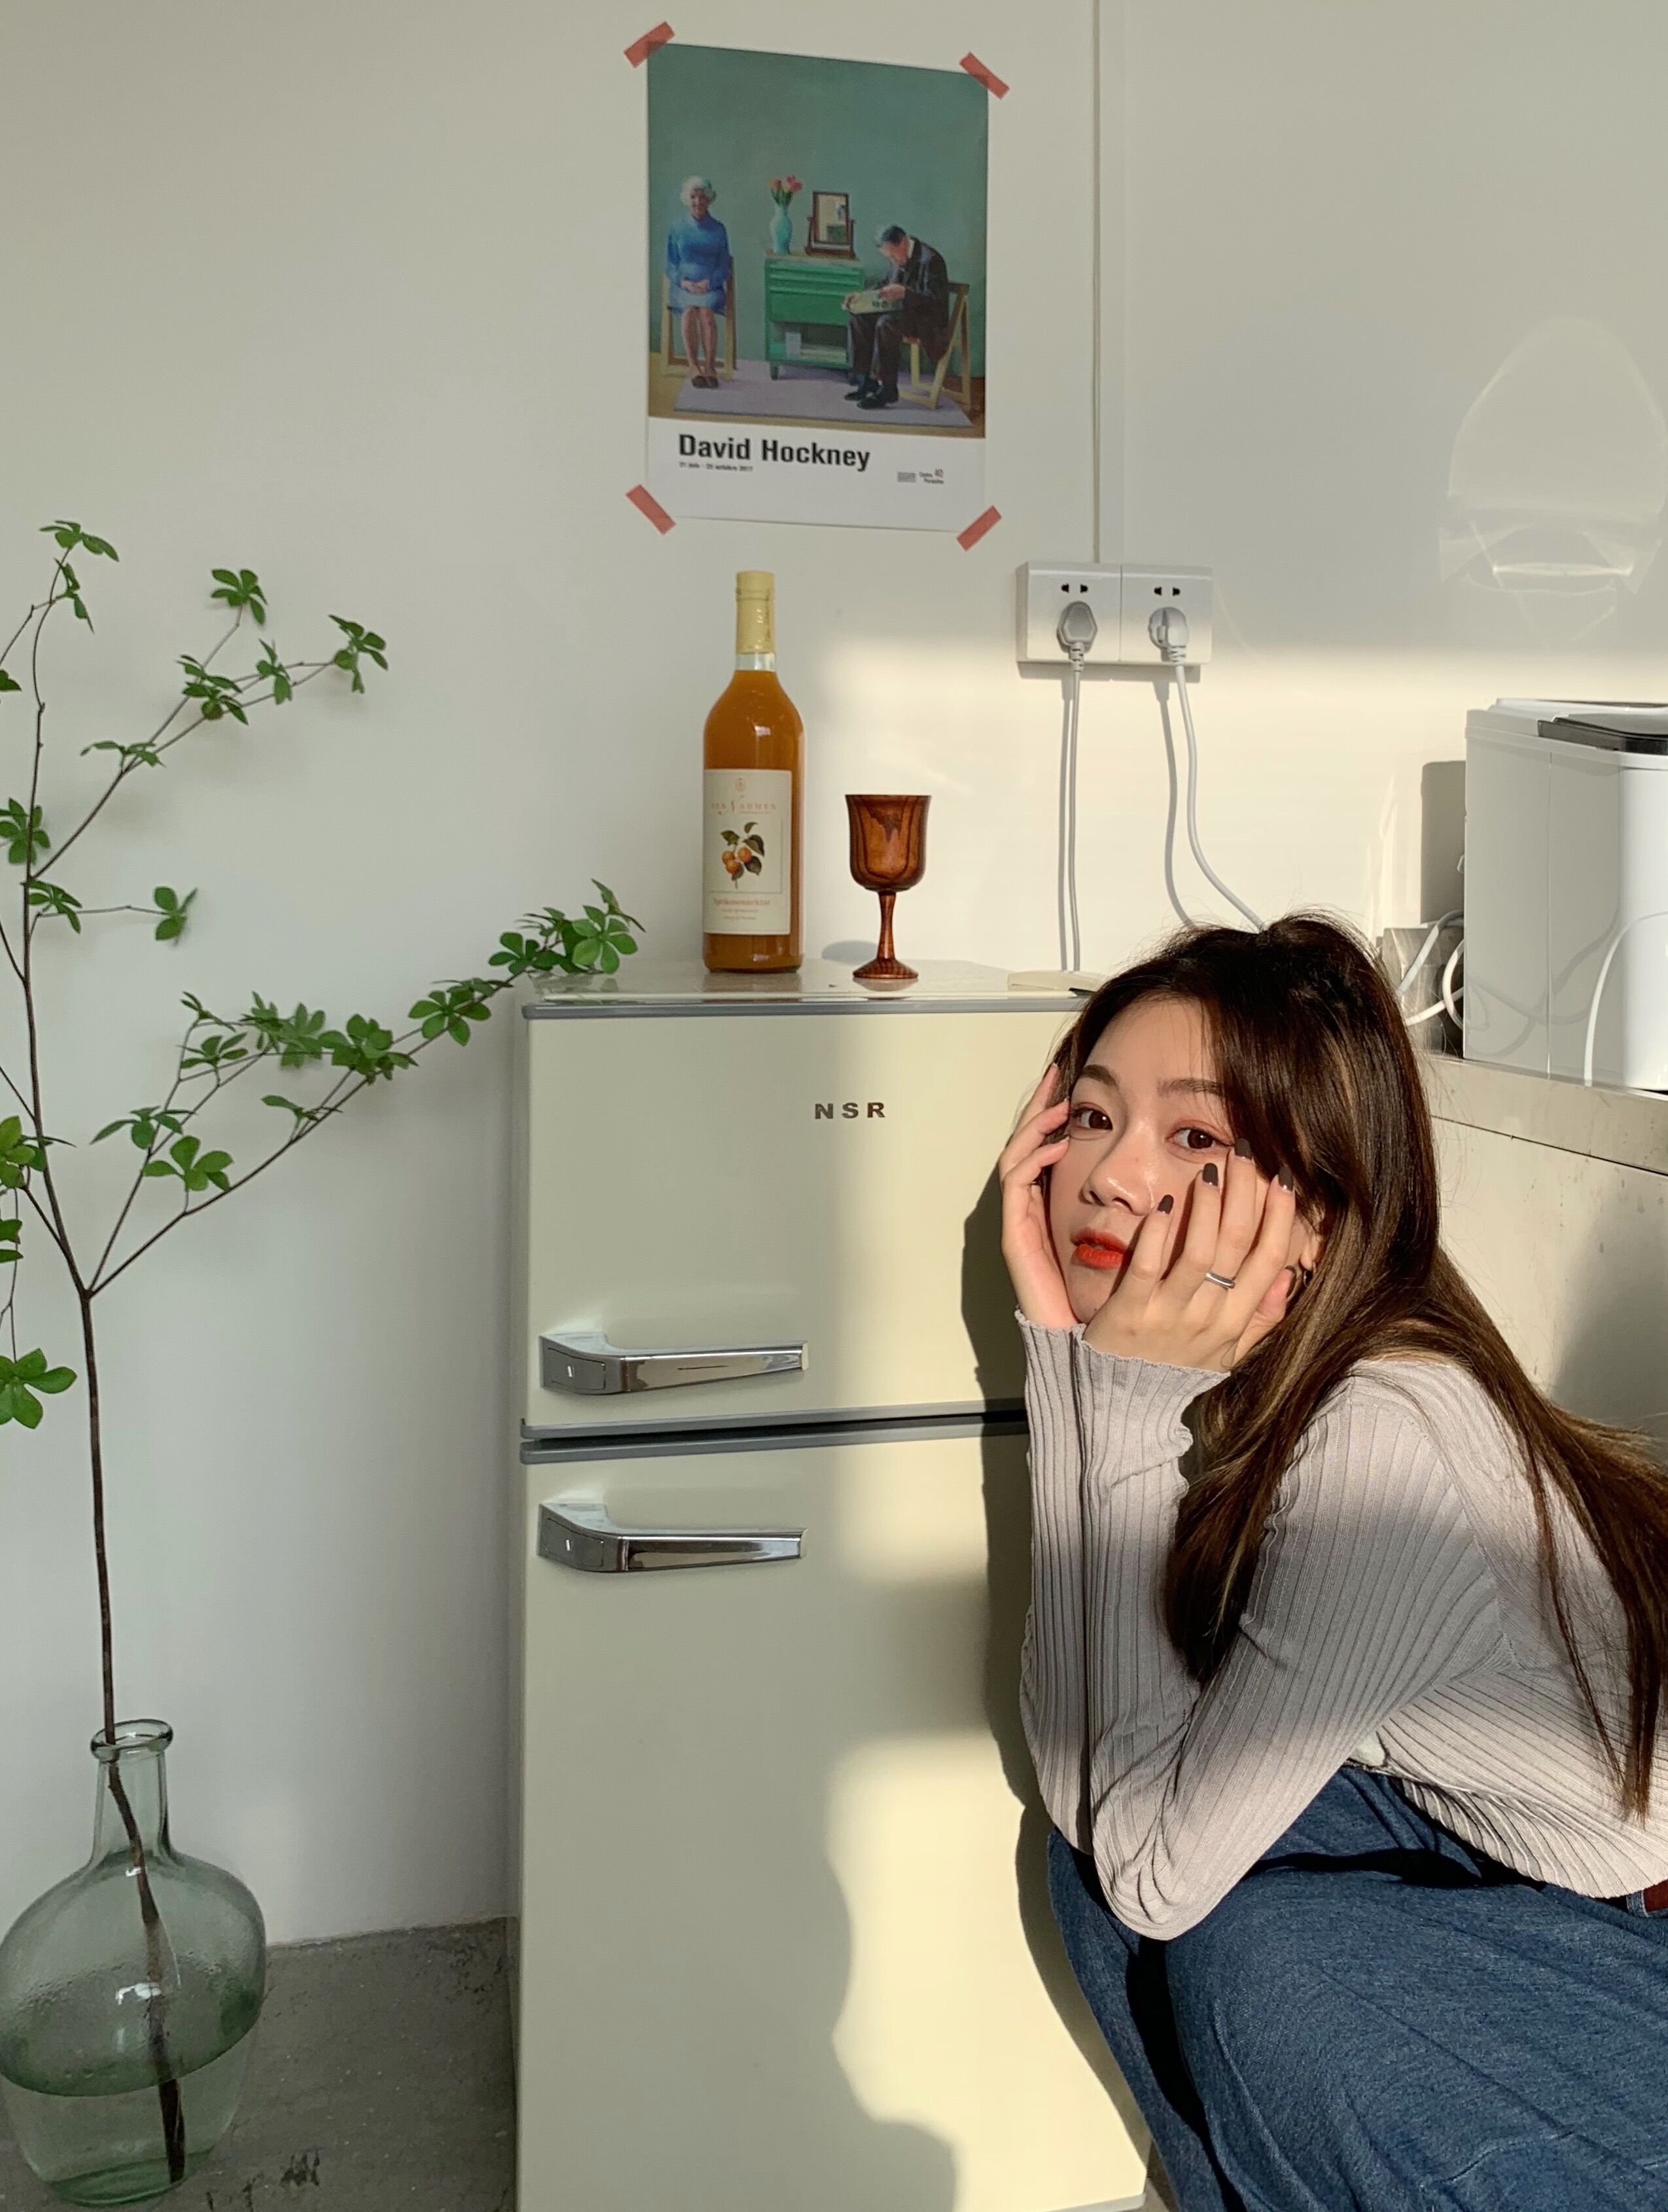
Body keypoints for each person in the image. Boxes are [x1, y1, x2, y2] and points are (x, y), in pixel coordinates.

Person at [997, 913, 1668, 2212]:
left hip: (1633, 1944)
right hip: (1539, 1881)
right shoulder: (1277, 1382)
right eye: (1091, 1116)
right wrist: (1063, 1349)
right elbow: (1085, 1756)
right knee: (1092, 1832)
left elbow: (1158, 1875)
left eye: (1194, 1139)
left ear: (1312, 1205)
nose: (1110, 1175)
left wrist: (1114, 1393)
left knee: (1260, 1962)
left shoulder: (1381, 1436)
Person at [843, 224, 949, 411]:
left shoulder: (931, 260)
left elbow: (936, 303)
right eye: (889, 257)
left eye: (893, 255)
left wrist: (905, 294)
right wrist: (861, 298)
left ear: (903, 242)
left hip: (928, 322)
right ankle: (866, 381)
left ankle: (888, 388)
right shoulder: (898, 256)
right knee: (858, 317)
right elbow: (886, 284)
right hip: (903, 315)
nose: (892, 260)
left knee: (886, 323)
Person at [665, 176, 730, 391]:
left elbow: (724, 266)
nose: (698, 202)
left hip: (710, 287)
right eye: (693, 197)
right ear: (687, 199)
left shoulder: (719, 229)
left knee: (706, 313)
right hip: (683, 287)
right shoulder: (677, 228)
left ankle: (710, 368)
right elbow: (671, 264)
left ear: (709, 200)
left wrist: (708, 283)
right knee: (689, 312)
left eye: (702, 197)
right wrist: (683, 282)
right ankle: (693, 367)